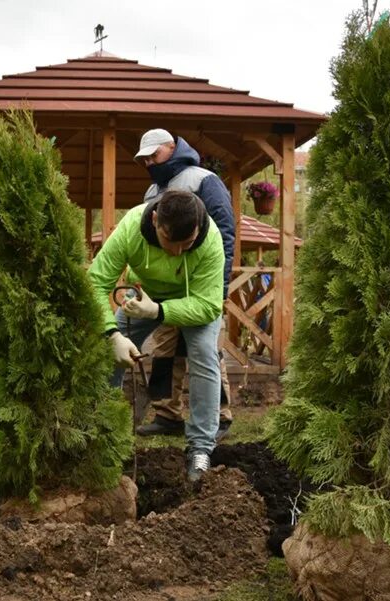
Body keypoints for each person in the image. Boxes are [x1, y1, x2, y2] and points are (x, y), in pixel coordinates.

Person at [88, 189, 225, 481]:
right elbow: (96, 283)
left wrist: (158, 312)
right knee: (104, 349)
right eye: (169, 242)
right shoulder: (130, 228)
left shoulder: (210, 240)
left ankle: (200, 448)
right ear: (154, 220)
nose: (177, 252)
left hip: (193, 302)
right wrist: (113, 335)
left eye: (186, 244)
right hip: (142, 298)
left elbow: (210, 305)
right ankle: (103, 435)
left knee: (204, 354)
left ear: (198, 229)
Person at [133, 129, 235, 439]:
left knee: (205, 351)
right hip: (166, 289)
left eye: (155, 154)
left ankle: (221, 416)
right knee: (164, 350)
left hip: (202, 284)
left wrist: (221, 284)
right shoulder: (153, 191)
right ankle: (168, 413)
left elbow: (225, 231)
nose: (150, 162)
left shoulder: (203, 180)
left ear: (173, 147)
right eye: (145, 159)